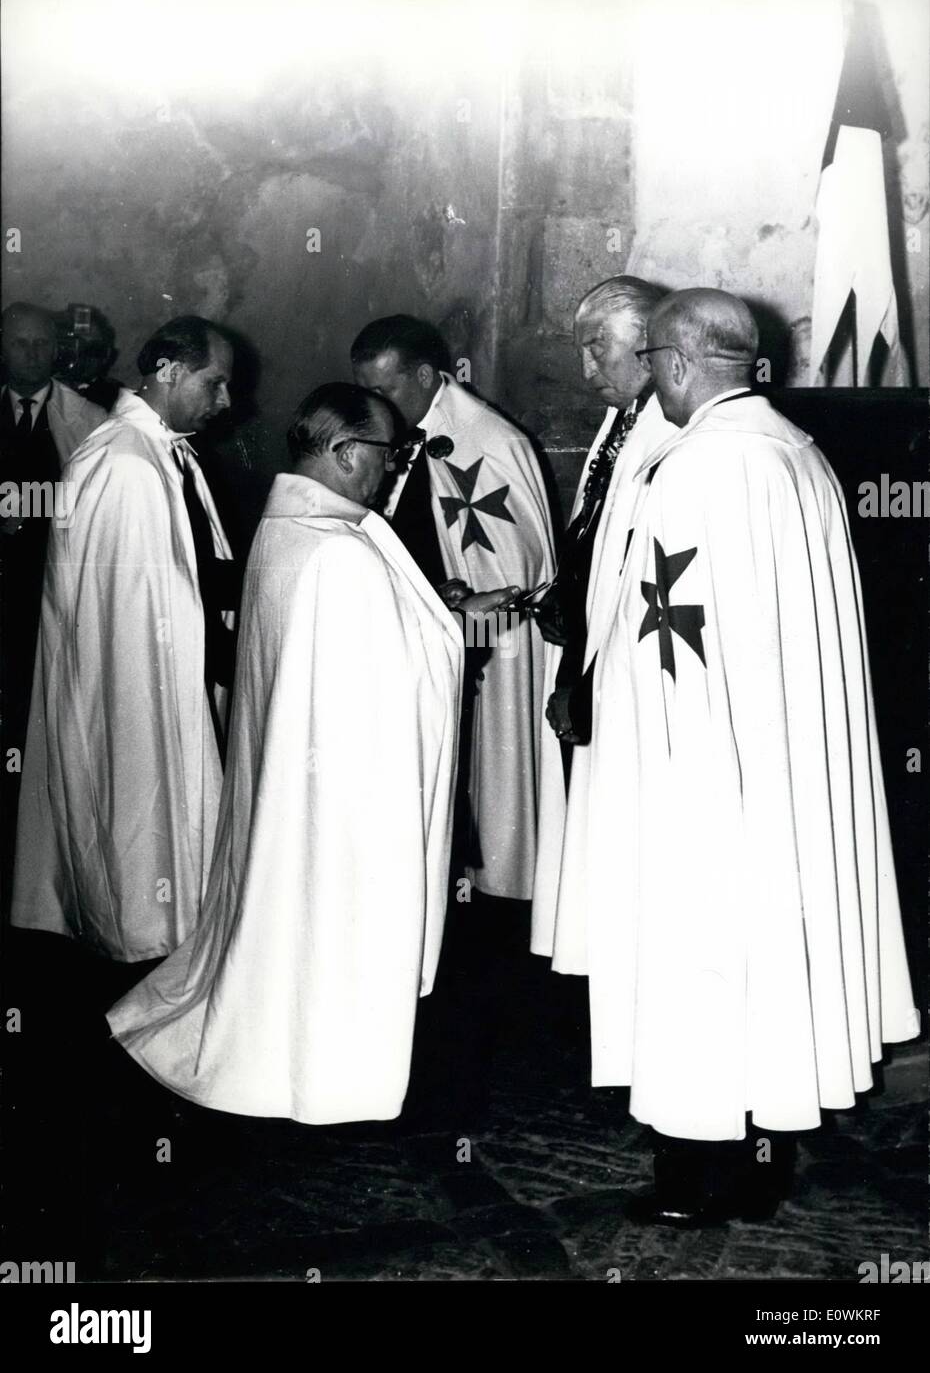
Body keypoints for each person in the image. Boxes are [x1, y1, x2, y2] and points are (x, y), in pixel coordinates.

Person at [587, 288, 920, 1224]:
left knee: (703, 947)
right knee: (770, 943)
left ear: (682, 365)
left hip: (699, 766)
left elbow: (666, 636)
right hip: (782, 758)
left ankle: (704, 1170)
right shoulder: (798, 454)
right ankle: (763, 1154)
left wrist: (633, 751)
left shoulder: (694, 471)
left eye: (650, 360)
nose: (648, 378)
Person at [107, 385, 464, 1125]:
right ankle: (324, 1069)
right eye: (386, 458)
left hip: (296, 787)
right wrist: (448, 637)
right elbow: (395, 685)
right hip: (340, 800)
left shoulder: (284, 527)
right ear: (344, 454)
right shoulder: (340, 555)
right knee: (327, 925)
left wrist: (440, 612)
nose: (392, 474)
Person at [12, 316, 238, 968]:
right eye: (214, 383)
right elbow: (128, 618)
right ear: (168, 371)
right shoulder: (122, 461)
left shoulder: (161, 451)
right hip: (134, 694)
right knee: (138, 846)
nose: (224, 402)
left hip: (170, 677)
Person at [351, 314, 555, 903]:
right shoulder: (404, 436)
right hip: (431, 634)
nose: (373, 403)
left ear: (423, 375)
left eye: (383, 389)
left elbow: (517, 567)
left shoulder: (489, 442)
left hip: (491, 641)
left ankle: (494, 892)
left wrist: (467, 621)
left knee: (491, 773)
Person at [531, 276, 674, 969]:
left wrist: (583, 686)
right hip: (587, 654)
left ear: (648, 348)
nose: (586, 370)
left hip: (619, 669)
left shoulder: (664, 435)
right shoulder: (621, 422)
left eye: (598, 349)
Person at [0, 303, 106, 911]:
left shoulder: (86, 420)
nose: (32, 355)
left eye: (42, 344)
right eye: (20, 344)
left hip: (52, 592)